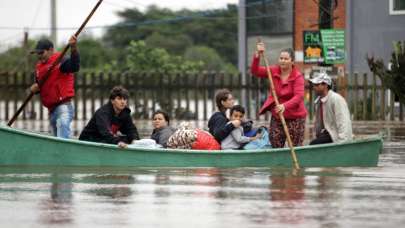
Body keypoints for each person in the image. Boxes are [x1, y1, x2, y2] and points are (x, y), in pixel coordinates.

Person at [251, 42, 307, 148]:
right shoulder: (273, 70)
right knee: (275, 141)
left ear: (292, 61)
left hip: (295, 116)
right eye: (281, 58)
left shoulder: (297, 76)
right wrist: (257, 55)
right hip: (277, 115)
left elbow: (299, 97)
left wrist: (284, 106)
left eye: (286, 59)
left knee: (296, 146)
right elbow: (255, 71)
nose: (283, 61)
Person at [29, 36, 80, 139]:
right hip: (51, 111)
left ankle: (65, 153)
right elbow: (39, 86)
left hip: (63, 106)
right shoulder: (39, 67)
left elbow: (75, 66)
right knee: (56, 138)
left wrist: (73, 48)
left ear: (51, 50)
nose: (39, 56)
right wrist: (34, 89)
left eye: (41, 53)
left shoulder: (61, 60)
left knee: (62, 128)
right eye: (37, 54)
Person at [309, 73, 352, 145]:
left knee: (314, 144)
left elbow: (343, 121)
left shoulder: (336, 99)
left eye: (317, 85)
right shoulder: (319, 101)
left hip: (335, 136)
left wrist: (343, 142)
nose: (314, 87)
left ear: (325, 85)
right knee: (314, 144)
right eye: (314, 85)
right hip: (327, 134)